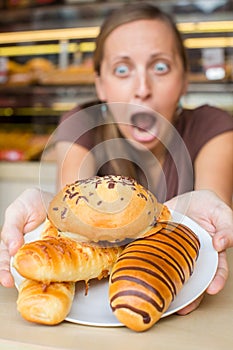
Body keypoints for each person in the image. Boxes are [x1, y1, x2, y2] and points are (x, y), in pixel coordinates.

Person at [0, 3, 232, 316]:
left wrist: (200, 224)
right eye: (122, 70)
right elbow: (73, 232)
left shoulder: (213, 127)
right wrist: (44, 204)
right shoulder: (82, 124)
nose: (142, 89)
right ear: (100, 84)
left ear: (184, 79)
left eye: (160, 67)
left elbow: (206, 232)